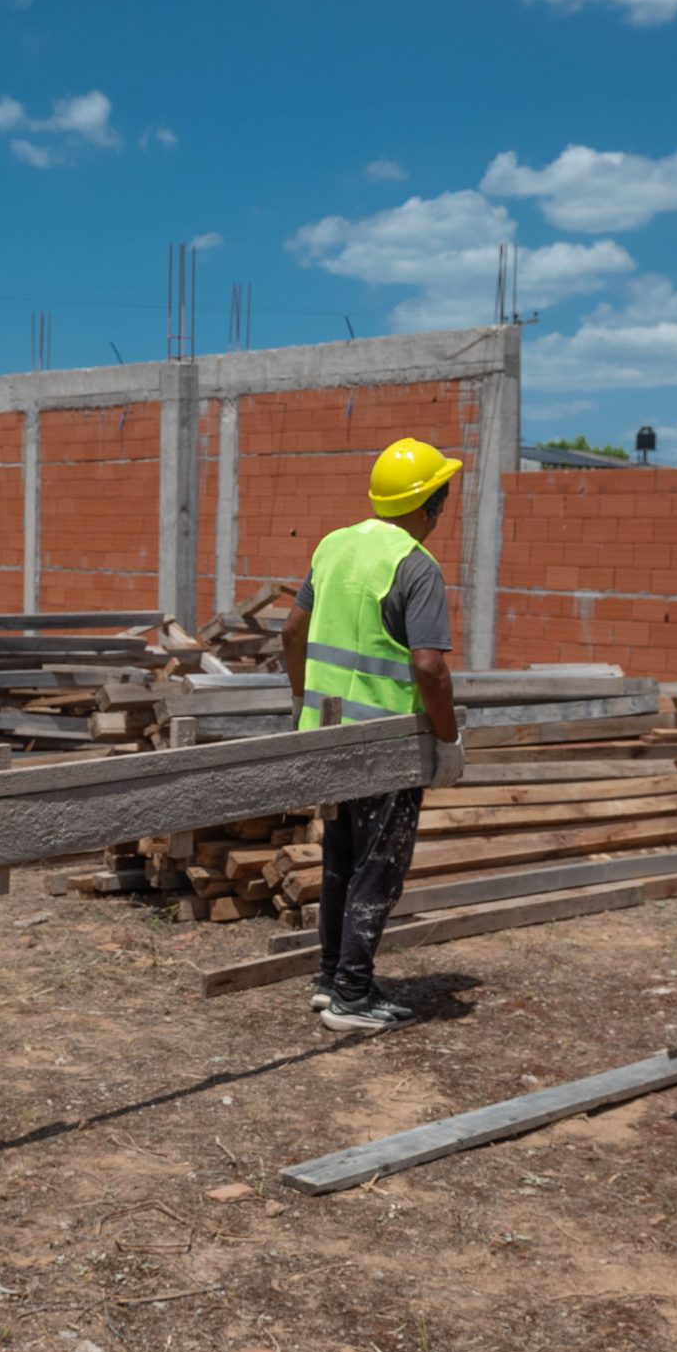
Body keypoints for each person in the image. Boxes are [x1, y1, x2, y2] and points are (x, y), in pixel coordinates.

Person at [282, 437, 468, 1033]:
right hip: (384, 745)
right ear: (431, 505)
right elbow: (429, 668)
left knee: (340, 859)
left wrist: (300, 700)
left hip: (329, 735)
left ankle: (332, 975)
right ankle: (352, 997)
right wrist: (448, 741)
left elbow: (291, 632)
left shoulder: (333, 545)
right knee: (379, 867)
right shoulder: (416, 566)